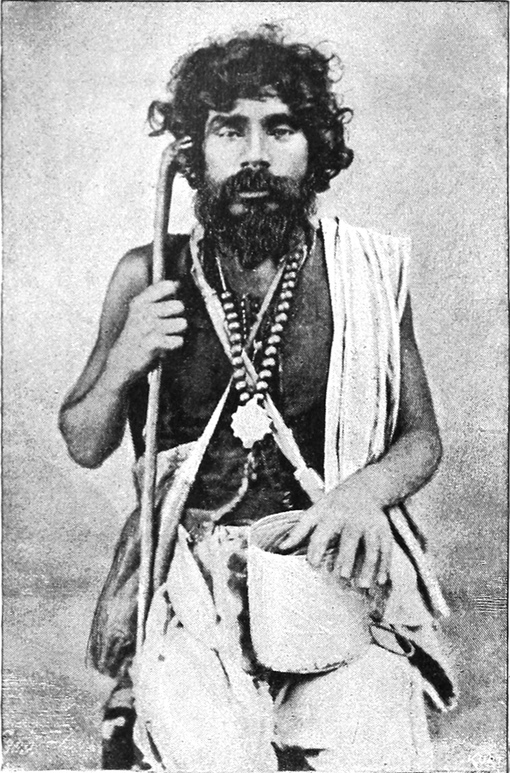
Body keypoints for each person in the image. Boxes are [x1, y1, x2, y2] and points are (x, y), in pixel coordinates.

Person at [59, 25, 456, 772]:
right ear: (194, 151)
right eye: (229, 129)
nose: (255, 155)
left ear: (315, 148)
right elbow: (83, 439)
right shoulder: (148, 273)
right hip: (187, 583)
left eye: (280, 128)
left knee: (370, 747)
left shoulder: (365, 273)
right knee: (202, 751)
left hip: (328, 570)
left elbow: (421, 438)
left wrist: (363, 493)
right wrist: (124, 360)